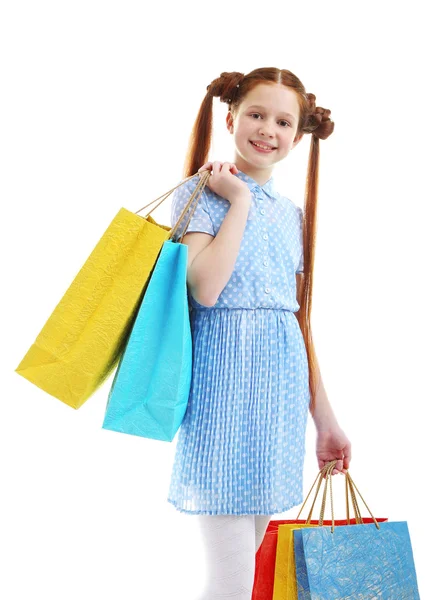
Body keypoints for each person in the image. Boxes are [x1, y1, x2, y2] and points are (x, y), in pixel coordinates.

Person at [166, 67, 352, 599]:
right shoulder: (204, 194)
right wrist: (239, 202)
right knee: (231, 576)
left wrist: (327, 422)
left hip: (278, 400)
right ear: (231, 118)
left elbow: (298, 321)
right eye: (256, 114)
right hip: (223, 397)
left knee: (245, 567)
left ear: (297, 137)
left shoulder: (291, 216)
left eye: (283, 120)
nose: (268, 128)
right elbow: (205, 288)